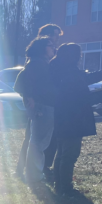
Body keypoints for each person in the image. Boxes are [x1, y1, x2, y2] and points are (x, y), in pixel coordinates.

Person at [49, 43, 102, 195]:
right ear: (74, 56)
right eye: (79, 54)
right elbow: (83, 97)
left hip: (61, 116)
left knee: (61, 152)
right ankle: (65, 188)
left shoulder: (59, 69)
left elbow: (82, 78)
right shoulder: (70, 73)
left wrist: (101, 74)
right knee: (69, 154)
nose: (81, 57)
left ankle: (59, 184)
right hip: (73, 118)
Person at [16, 25, 63, 178]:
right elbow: (22, 82)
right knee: (36, 141)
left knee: (36, 140)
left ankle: (33, 170)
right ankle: (33, 172)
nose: (55, 44)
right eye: (53, 38)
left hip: (42, 106)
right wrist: (29, 98)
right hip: (41, 107)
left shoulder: (41, 61)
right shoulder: (37, 62)